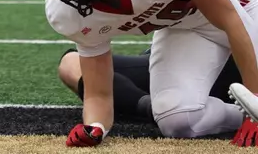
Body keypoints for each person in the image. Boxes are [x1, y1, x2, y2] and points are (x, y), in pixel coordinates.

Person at [27, 0, 258, 146]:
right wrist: (95, 127)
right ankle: (239, 117)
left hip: (242, 0)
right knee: (176, 118)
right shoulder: (66, 13)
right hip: (187, 26)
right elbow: (98, 94)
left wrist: (255, 99)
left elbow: (230, 16)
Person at [57, 48, 240, 126]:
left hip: (224, 64)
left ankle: (166, 110)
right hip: (179, 63)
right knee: (71, 62)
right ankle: (156, 108)